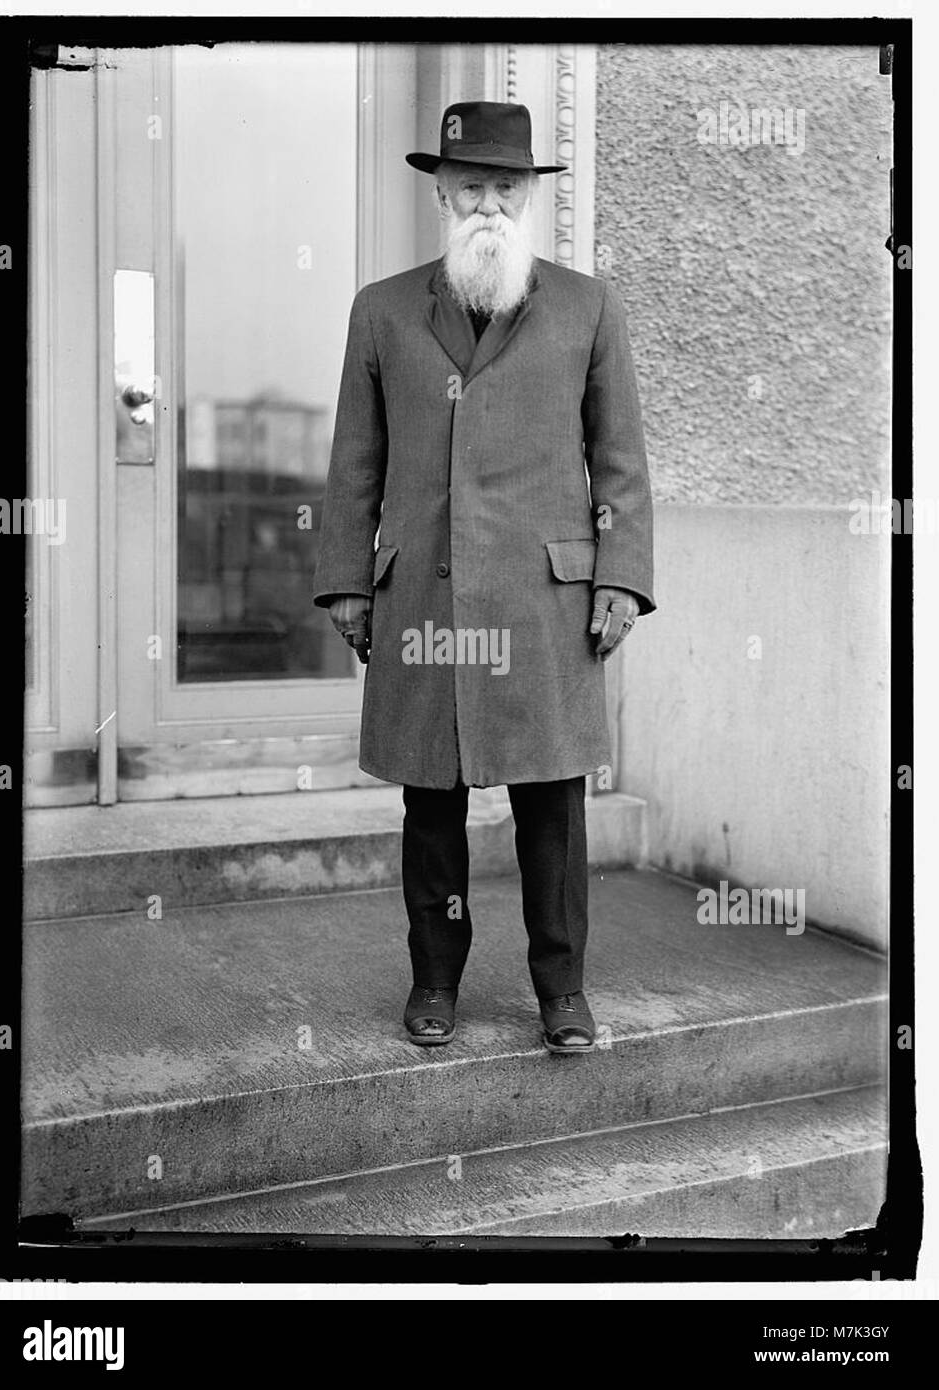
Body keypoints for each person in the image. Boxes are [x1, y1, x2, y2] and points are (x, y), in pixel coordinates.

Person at [314, 101, 655, 1053]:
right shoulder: (382, 309)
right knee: (432, 805)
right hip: (422, 594)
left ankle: (562, 992)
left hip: (547, 603)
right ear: (441, 194)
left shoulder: (589, 306)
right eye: (472, 187)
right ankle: (434, 983)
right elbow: (356, 461)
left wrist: (619, 577)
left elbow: (618, 460)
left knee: (553, 804)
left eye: (507, 187)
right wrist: (347, 577)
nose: (489, 205)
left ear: (531, 195)